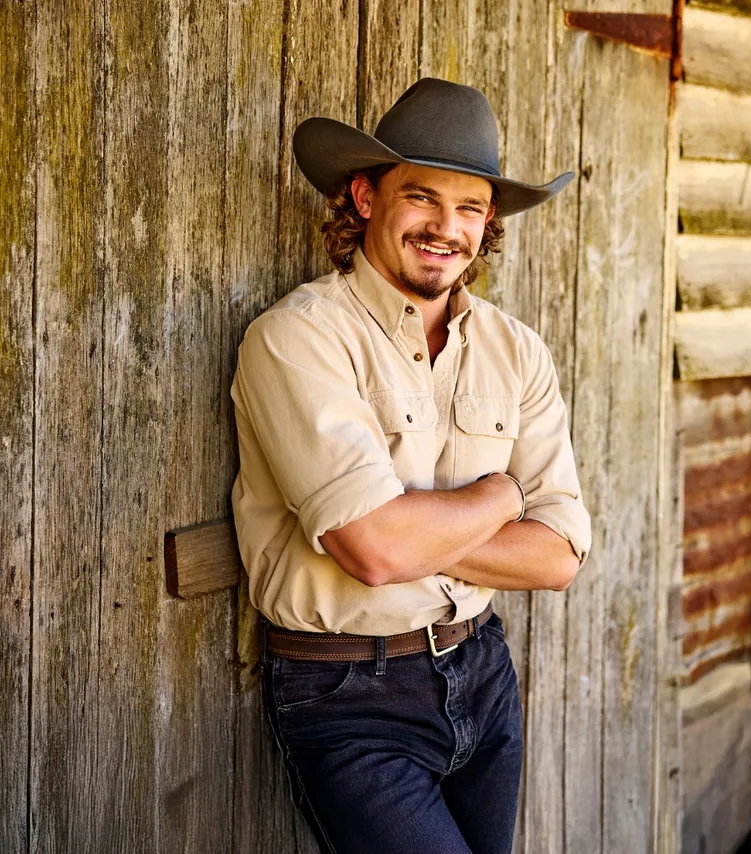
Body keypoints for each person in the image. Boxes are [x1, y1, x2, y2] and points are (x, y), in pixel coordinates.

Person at [229, 77, 591, 854]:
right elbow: (374, 549)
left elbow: (560, 553)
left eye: (469, 207)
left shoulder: (516, 351)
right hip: (349, 696)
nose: (446, 228)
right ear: (364, 195)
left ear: (489, 219)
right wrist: (499, 496)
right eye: (422, 198)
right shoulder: (298, 339)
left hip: (483, 673)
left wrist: (408, 530)